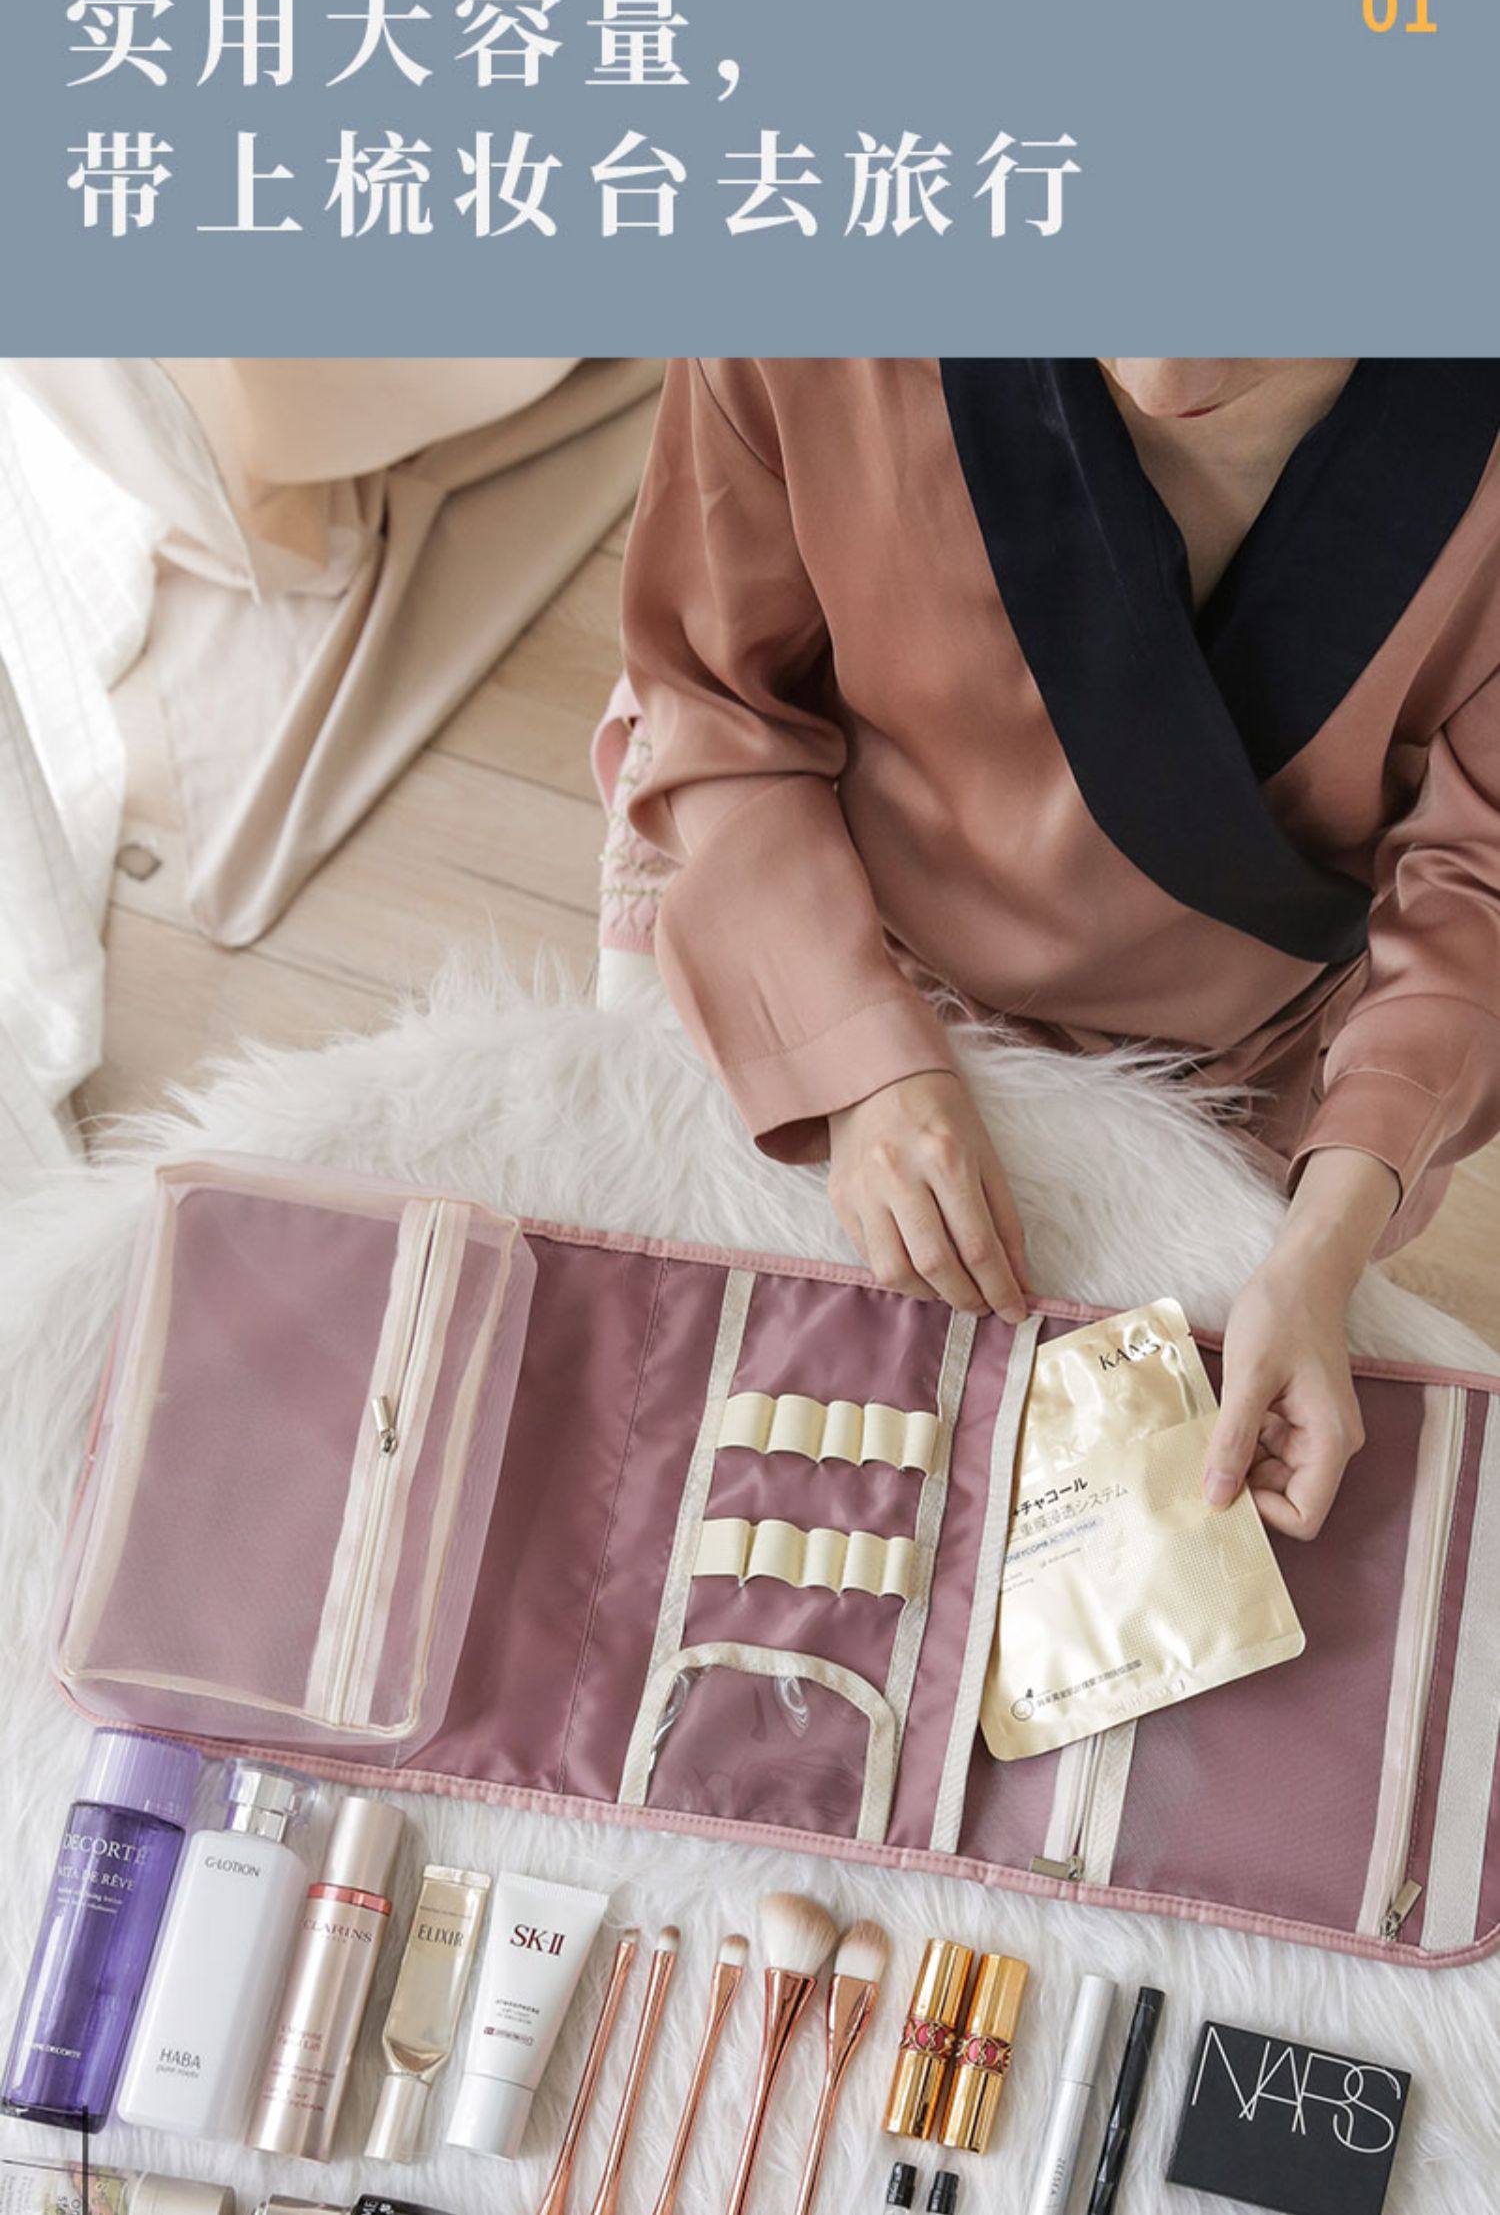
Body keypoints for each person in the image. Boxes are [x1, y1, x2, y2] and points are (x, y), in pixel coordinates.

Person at [611, 357, 1500, 1540]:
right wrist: (861, 1064)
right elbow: (718, 703)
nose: (1169, 370)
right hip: (829, 922)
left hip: (1262, 1050)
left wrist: (1319, 1250)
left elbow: (1476, 897)